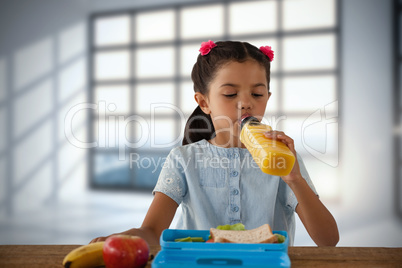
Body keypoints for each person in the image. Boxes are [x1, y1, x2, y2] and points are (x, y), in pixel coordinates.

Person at [91, 40, 339, 246]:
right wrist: (127, 237)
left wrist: (294, 179)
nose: (245, 103)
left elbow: (328, 240)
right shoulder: (183, 159)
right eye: (230, 94)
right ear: (204, 102)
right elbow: (153, 231)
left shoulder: (284, 160)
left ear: (268, 97)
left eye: (257, 94)